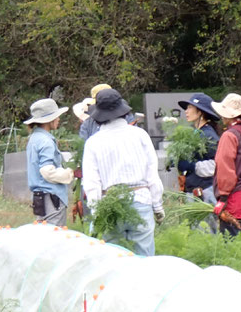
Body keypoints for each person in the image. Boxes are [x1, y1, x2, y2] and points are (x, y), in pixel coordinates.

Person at [82, 89, 165, 256]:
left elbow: (92, 184)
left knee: (114, 260)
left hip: (110, 205)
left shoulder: (93, 142)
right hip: (141, 200)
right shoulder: (140, 135)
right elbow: (152, 174)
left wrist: (97, 212)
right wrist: (157, 205)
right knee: (144, 260)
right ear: (122, 111)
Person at [210, 93, 241, 237]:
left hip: (232, 200)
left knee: (231, 249)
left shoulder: (229, 136)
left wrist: (222, 199)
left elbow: (225, 169)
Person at [25, 98, 74, 226]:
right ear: (49, 120)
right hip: (52, 198)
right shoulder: (46, 141)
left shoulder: (34, 138)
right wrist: (69, 173)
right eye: (56, 116)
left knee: (42, 238)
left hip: (40, 198)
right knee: (54, 239)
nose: (58, 119)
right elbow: (46, 171)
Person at [177, 93, 221, 205]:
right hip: (193, 189)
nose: (186, 111)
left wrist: (192, 165)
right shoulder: (195, 133)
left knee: (205, 223)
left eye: (190, 107)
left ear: (200, 112)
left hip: (205, 191)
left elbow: (215, 166)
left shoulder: (208, 136)